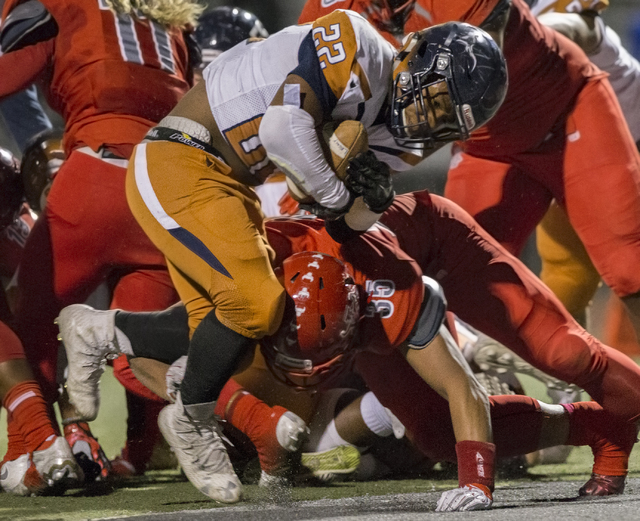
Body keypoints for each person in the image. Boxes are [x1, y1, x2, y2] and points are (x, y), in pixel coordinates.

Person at [121, 9, 507, 503]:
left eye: (444, 120)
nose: (428, 120)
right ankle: (190, 419)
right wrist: (342, 195)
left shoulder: (387, 130)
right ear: (416, 55)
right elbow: (283, 129)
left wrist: (366, 205)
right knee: (257, 303)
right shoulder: (359, 45)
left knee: (232, 336)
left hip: (231, 184)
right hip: (181, 158)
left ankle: (103, 334)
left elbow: (336, 224)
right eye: (435, 101)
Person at [58, 190, 639, 510]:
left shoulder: (390, 296)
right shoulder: (253, 284)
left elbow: (463, 391)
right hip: (304, 293)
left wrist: (477, 483)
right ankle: (596, 429)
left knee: (561, 353)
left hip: (435, 239)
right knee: (433, 435)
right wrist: (111, 329)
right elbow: (159, 342)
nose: (308, 376)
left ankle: (596, 397)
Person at [297, 0, 640, 342]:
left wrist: (375, 155)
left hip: (564, 111)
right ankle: (507, 393)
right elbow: (309, 95)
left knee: (630, 265)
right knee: (459, 284)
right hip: (486, 146)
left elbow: (467, 84)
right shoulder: (332, 11)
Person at [0, 0, 202, 483]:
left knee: (32, 320)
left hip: (97, 175)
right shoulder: (173, 21)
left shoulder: (57, 4)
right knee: (142, 346)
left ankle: (31, 452)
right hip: (169, 189)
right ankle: (144, 452)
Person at [0, 146, 82, 496]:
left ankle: (40, 446)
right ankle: (28, 453)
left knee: (26, 331)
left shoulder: (20, 223)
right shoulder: (23, 217)